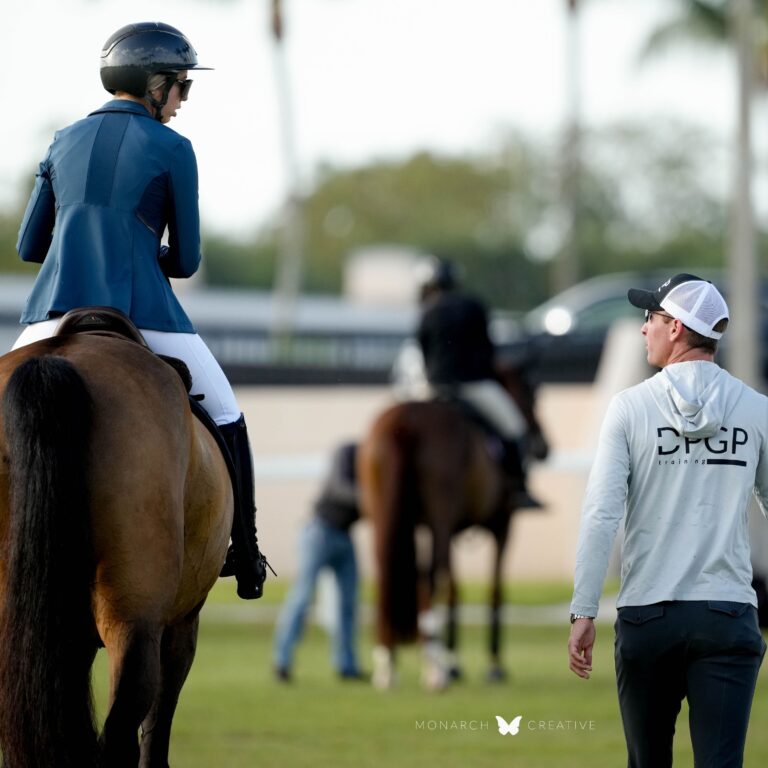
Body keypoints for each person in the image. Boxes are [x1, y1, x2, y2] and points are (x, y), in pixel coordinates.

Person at [12, 22, 267, 600]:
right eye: (181, 87)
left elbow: (30, 247)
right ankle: (246, 549)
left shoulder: (60, 139)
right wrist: (143, 248)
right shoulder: (174, 149)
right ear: (155, 85)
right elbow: (188, 259)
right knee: (227, 413)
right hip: (144, 310)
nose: (182, 102)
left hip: (51, 311)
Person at [568, 273, 768, 767]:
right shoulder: (758, 408)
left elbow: (601, 514)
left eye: (650, 319)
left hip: (648, 618)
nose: (643, 330)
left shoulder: (629, 407)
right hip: (726, 616)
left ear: (675, 327)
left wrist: (584, 609)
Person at [416, 257, 538, 506]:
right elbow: (486, 352)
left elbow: (424, 352)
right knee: (515, 428)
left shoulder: (426, 310)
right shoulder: (473, 306)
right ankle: (518, 486)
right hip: (472, 387)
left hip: (431, 388)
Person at [273, 442, 364, 682]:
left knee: (348, 602)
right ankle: (281, 661)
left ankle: (346, 665)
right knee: (302, 597)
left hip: (345, 536)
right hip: (320, 533)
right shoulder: (347, 452)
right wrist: (373, 496)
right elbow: (339, 487)